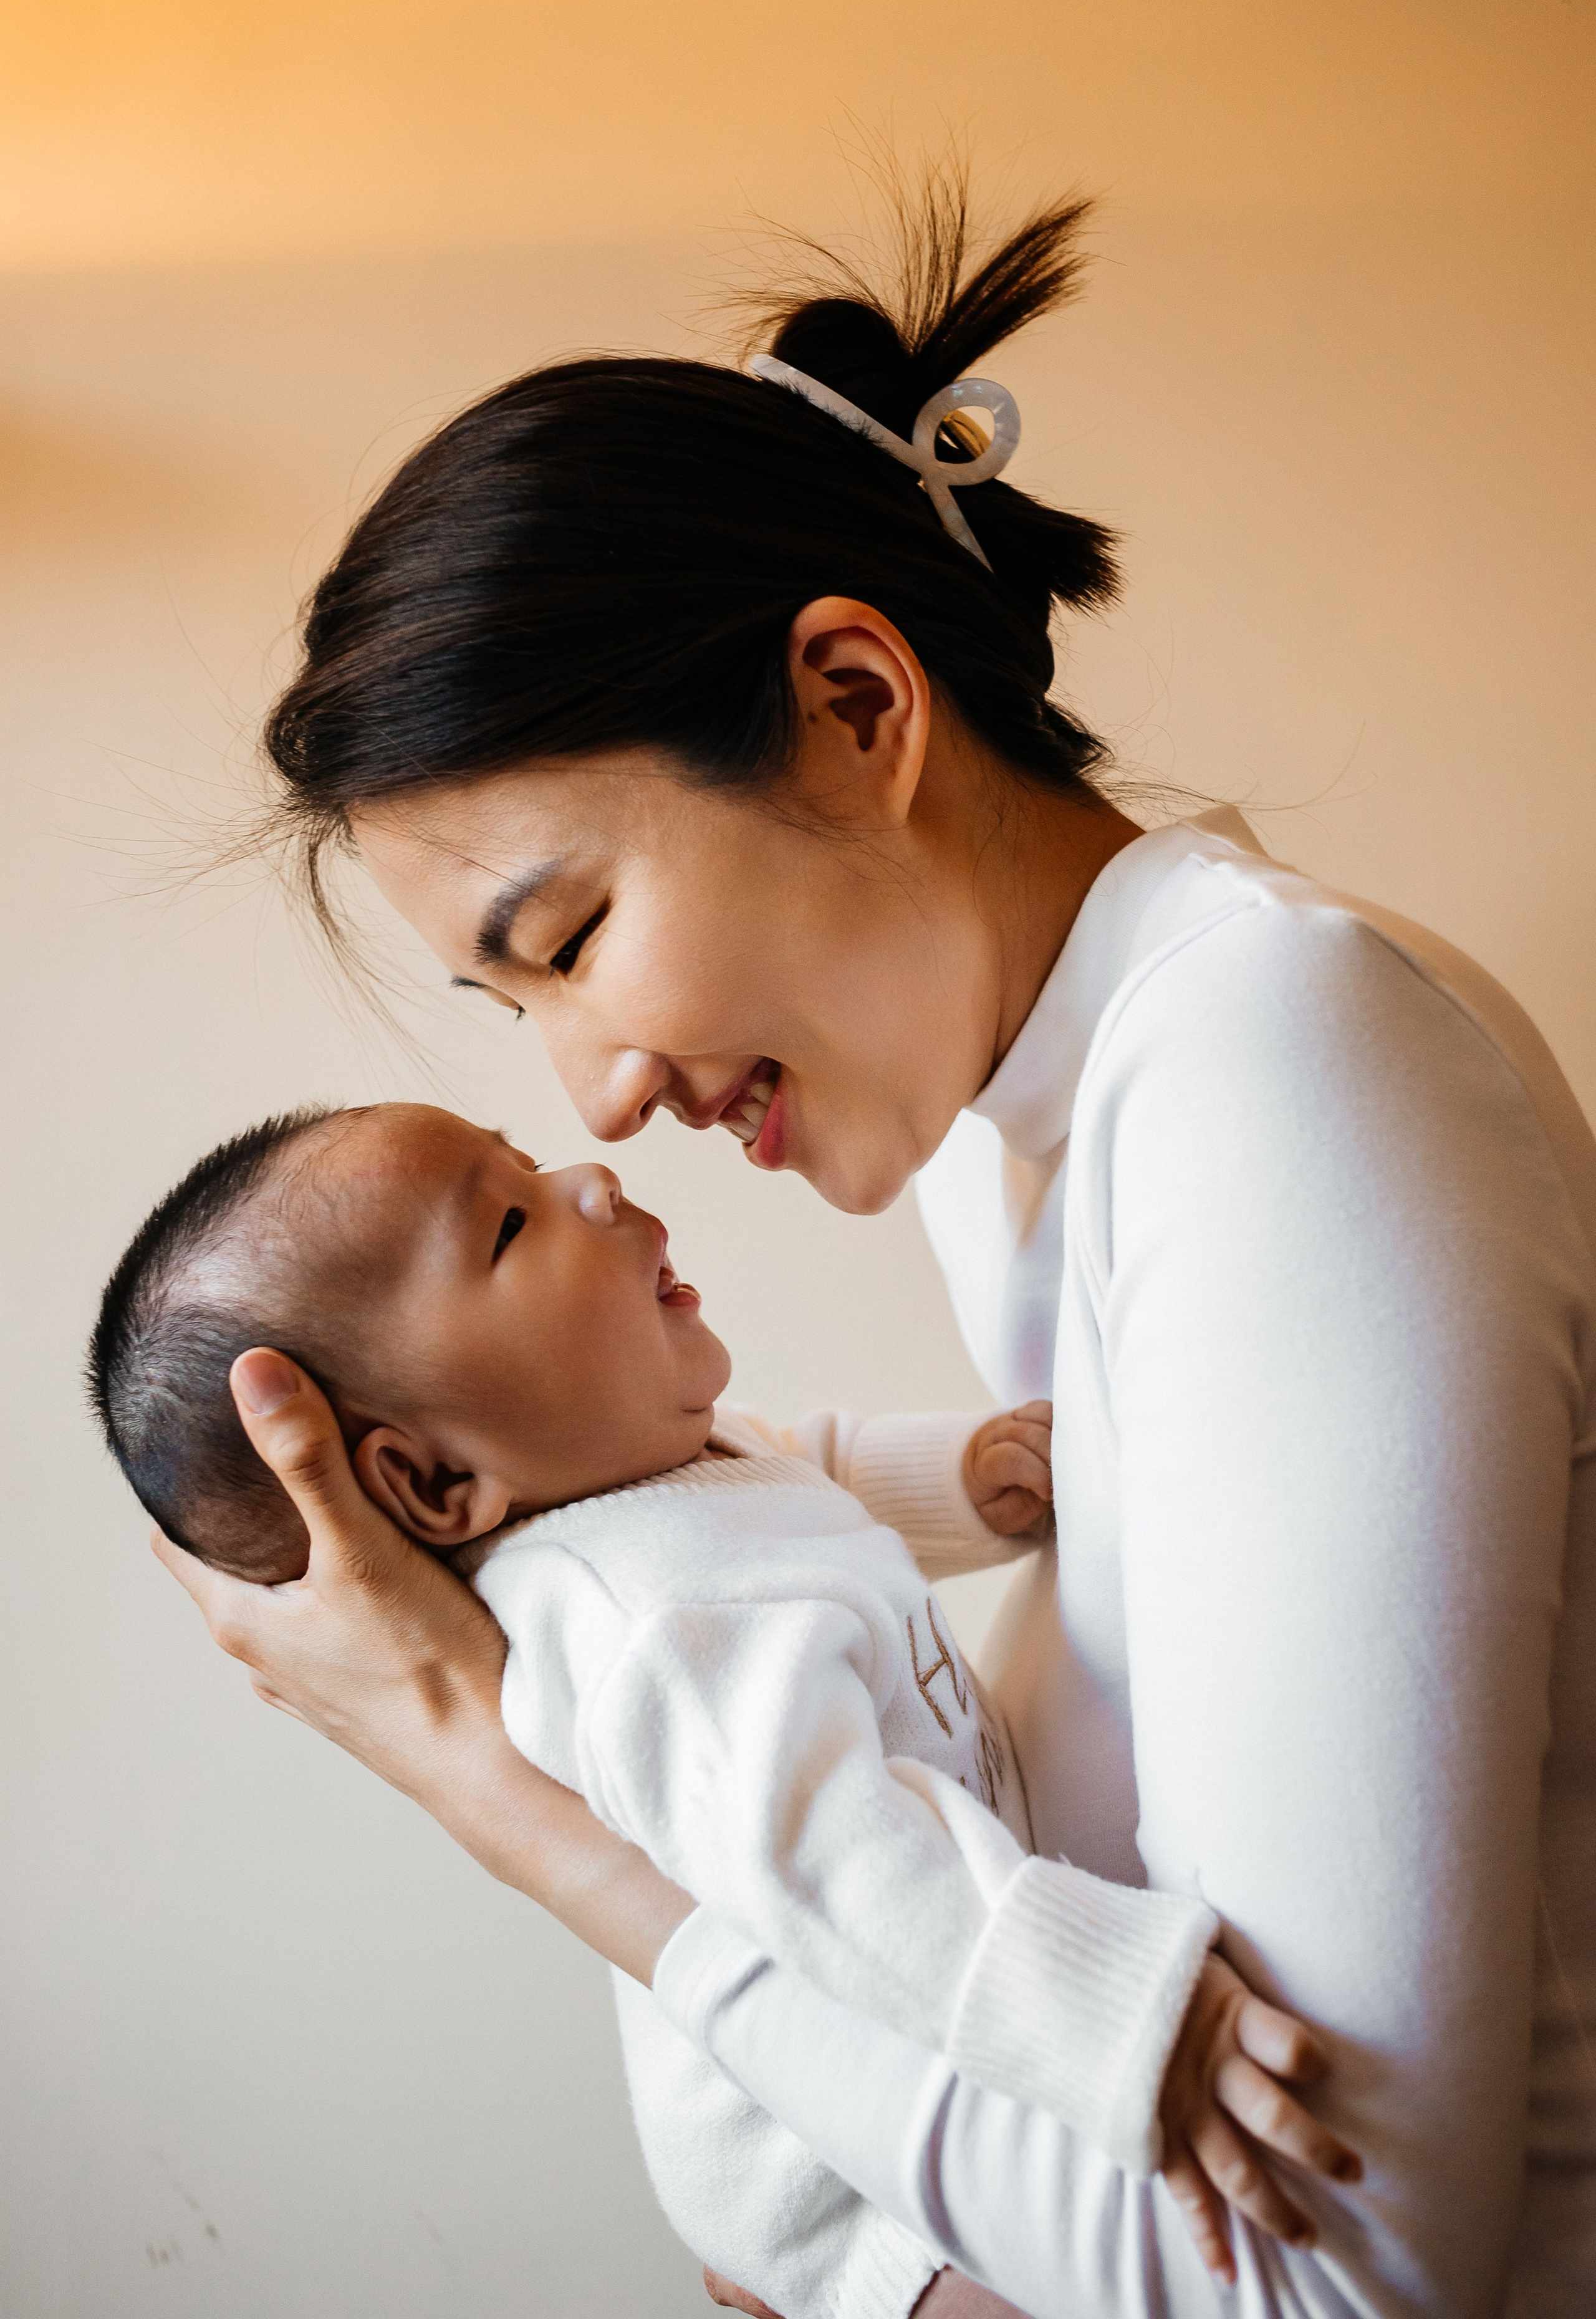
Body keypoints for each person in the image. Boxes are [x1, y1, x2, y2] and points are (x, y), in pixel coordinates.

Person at [151, 184, 1596, 2315]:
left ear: (854, 700)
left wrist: (526, 1813)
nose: (601, 1098)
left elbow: (1334, 2282)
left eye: (569, 942)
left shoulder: (1274, 1068)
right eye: (513, 1006)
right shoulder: (1008, 1141)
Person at [91, 1098, 1355, 2312]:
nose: (591, 1180)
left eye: (525, 1165)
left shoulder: (655, 1480)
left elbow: (799, 1471)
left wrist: (961, 1481)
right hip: (849, 2207)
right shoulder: (637, 1624)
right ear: (432, 1480)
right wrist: (1124, 2024)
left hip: (919, 2033)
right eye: (511, 1226)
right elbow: (846, 1867)